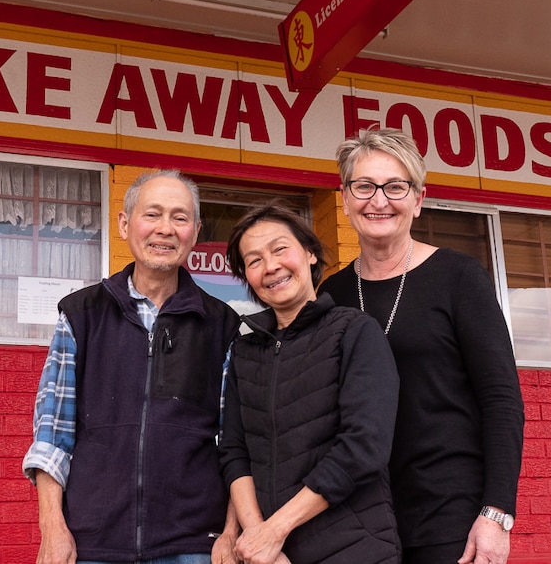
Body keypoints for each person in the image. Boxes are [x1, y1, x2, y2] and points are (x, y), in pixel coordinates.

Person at [318, 128, 525, 564]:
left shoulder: (458, 278)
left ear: (417, 198)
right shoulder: (331, 292)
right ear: (345, 197)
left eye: (395, 186)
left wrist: (496, 512)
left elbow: (502, 399)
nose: (379, 200)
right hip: (359, 518)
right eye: (364, 186)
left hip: (450, 515)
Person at [22, 169, 242, 564]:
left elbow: (234, 442)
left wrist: (229, 533)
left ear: (194, 231)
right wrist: (52, 528)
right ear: (125, 224)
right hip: (93, 543)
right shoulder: (81, 314)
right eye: (152, 214)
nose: (165, 229)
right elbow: (52, 434)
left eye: (180, 217)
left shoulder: (221, 324)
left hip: (193, 546)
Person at [220, 201, 401, 564]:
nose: (270, 267)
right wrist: (260, 541)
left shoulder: (354, 331)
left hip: (353, 549)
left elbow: (364, 447)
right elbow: (234, 452)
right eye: (253, 261)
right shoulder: (244, 349)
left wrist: (275, 531)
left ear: (311, 254)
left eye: (279, 249)